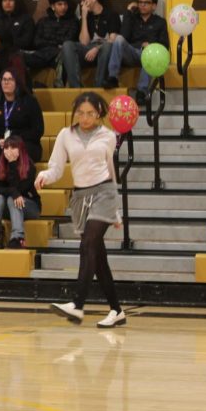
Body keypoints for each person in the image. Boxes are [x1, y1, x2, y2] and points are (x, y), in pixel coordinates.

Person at [38, 92, 126, 328]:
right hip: (80, 197)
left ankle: (77, 305)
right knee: (97, 257)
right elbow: (56, 168)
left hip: (104, 194)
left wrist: (115, 210)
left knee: (87, 245)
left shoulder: (108, 136)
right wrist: (45, 175)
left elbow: (111, 170)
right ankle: (117, 310)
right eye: (81, 113)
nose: (85, 118)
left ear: (99, 114)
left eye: (91, 113)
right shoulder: (65, 135)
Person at [106, 0, 169, 98]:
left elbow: (165, 45)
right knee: (119, 39)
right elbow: (124, 37)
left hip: (149, 55)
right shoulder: (132, 18)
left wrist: (151, 46)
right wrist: (128, 12)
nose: (142, 5)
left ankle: (142, 92)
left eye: (146, 3)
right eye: (140, 2)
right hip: (132, 53)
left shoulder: (160, 22)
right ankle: (112, 78)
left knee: (149, 53)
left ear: (154, 6)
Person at [0, 135, 40, 249]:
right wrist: (14, 193)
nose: (9, 151)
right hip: (9, 206)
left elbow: (21, 188)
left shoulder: (29, 165)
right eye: (6, 148)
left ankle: (17, 237)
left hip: (30, 206)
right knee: (1, 198)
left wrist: (13, 164)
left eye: (13, 147)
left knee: (10, 198)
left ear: (20, 149)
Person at [60, 0, 120, 88]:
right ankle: (76, 87)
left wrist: (97, 48)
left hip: (104, 49)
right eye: (81, 1)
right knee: (67, 45)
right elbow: (84, 42)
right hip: (88, 49)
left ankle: (99, 85)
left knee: (107, 47)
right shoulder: (87, 17)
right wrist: (84, 17)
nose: (82, 3)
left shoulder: (111, 15)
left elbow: (113, 39)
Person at [0, 68, 45, 163]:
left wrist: (15, 141)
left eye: (10, 79)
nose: (6, 82)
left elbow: (38, 130)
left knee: (19, 152)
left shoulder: (30, 102)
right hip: (0, 143)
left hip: (23, 143)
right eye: (4, 79)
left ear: (17, 83)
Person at [23, 0, 79, 80]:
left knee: (57, 54)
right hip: (43, 53)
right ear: (53, 6)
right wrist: (56, 43)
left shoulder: (73, 22)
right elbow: (36, 41)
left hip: (59, 54)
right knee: (20, 57)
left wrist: (48, 41)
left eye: (65, 4)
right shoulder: (43, 21)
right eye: (60, 4)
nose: (63, 7)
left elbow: (68, 40)